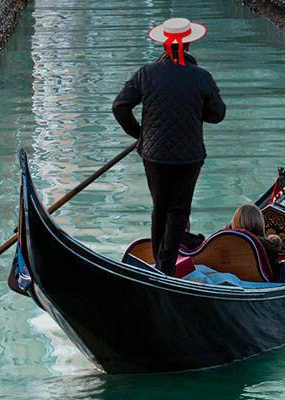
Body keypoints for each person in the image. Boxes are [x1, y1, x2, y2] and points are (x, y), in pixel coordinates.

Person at [113, 17, 227, 275]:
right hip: (189, 156)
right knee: (178, 210)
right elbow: (218, 114)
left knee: (160, 208)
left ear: (165, 45)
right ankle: (165, 267)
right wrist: (197, 112)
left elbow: (119, 107)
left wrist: (140, 135)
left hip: (154, 155)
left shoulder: (146, 74)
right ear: (187, 44)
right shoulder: (201, 77)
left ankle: (159, 263)